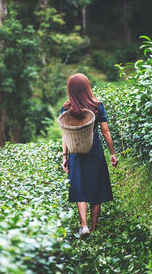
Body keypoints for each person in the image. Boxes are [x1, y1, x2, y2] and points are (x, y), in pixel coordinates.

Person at [61, 73, 117, 236]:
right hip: (94, 151)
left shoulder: (66, 108)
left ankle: (84, 226)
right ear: (87, 87)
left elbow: (65, 135)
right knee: (96, 187)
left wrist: (65, 157)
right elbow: (106, 132)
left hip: (76, 152)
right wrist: (113, 153)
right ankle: (93, 227)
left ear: (71, 90)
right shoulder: (97, 106)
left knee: (80, 187)